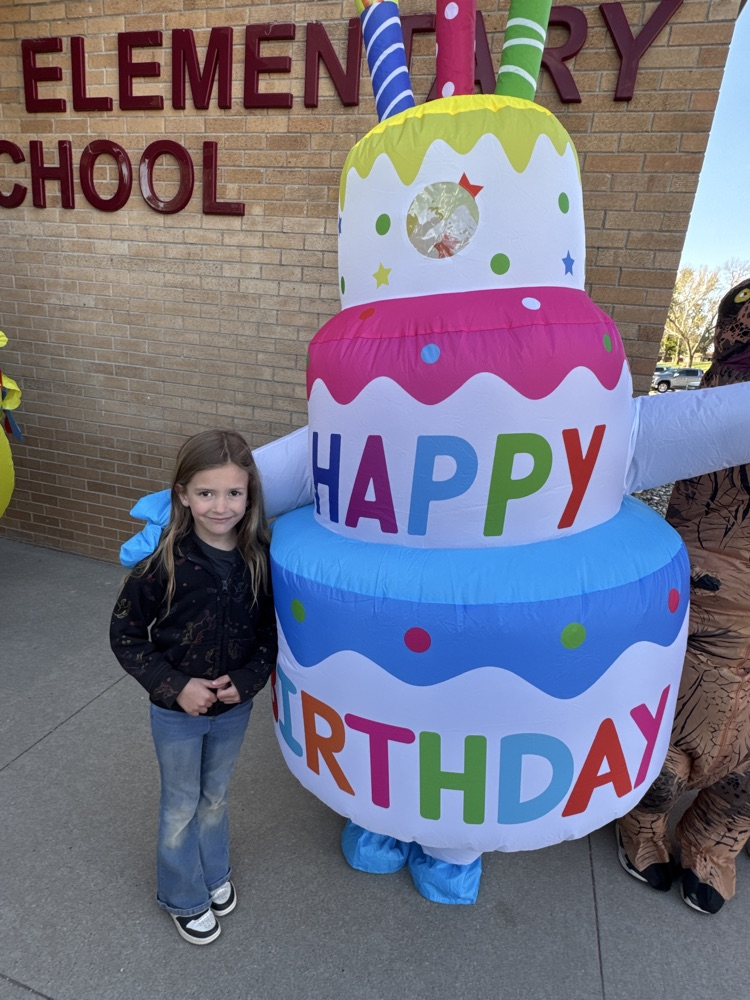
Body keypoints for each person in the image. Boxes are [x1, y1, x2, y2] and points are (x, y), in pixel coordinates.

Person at [110, 429, 277, 944]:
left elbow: (271, 634)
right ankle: (183, 894)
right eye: (206, 493)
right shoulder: (161, 561)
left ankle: (214, 870)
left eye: (234, 493)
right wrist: (175, 686)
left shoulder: (261, 557)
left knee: (215, 795)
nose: (221, 506)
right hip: (175, 711)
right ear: (182, 494)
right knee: (182, 802)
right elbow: (125, 635)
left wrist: (247, 682)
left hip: (233, 709)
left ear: (249, 495)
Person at [617, 278, 750, 914]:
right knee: (683, 718)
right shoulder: (730, 385)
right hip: (718, 577)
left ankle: (716, 838)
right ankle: (642, 818)